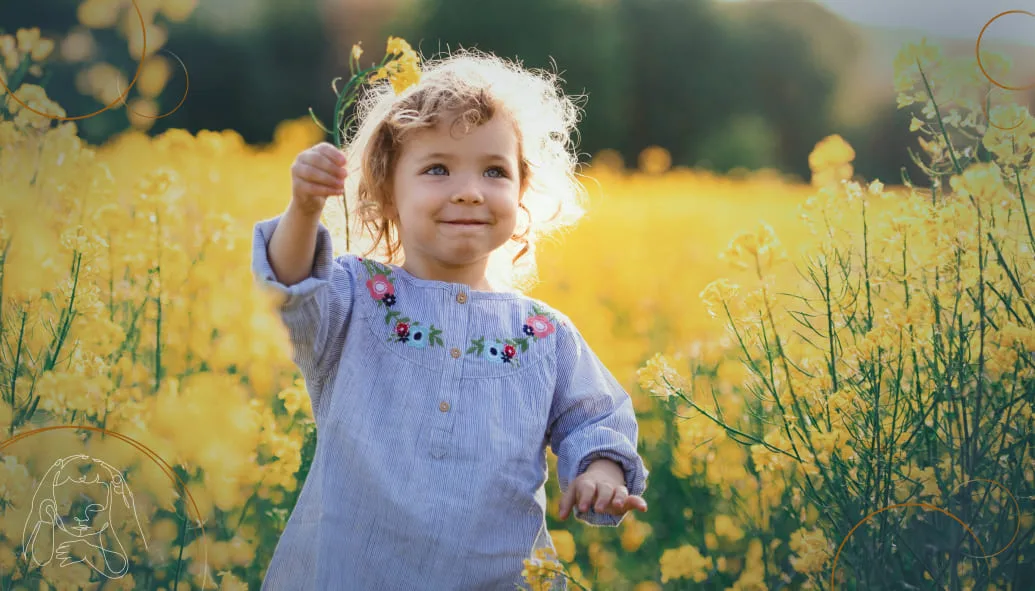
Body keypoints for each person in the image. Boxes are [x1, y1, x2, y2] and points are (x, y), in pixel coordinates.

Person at [252, 47, 649, 590]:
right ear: (387, 192)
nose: (469, 189)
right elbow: (290, 288)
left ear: (522, 192)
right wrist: (303, 208)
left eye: (495, 171)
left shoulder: (544, 333)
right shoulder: (354, 298)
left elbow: (593, 419)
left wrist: (599, 471)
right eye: (437, 168)